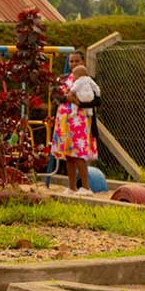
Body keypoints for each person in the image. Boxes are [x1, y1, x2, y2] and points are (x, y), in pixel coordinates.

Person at [51, 51, 99, 195]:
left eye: (77, 61)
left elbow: (97, 100)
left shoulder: (88, 80)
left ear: (83, 62)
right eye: (71, 61)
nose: (73, 64)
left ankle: (85, 187)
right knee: (68, 155)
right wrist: (66, 98)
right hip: (64, 122)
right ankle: (72, 187)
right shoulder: (64, 79)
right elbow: (57, 96)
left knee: (79, 154)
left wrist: (77, 102)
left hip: (80, 122)